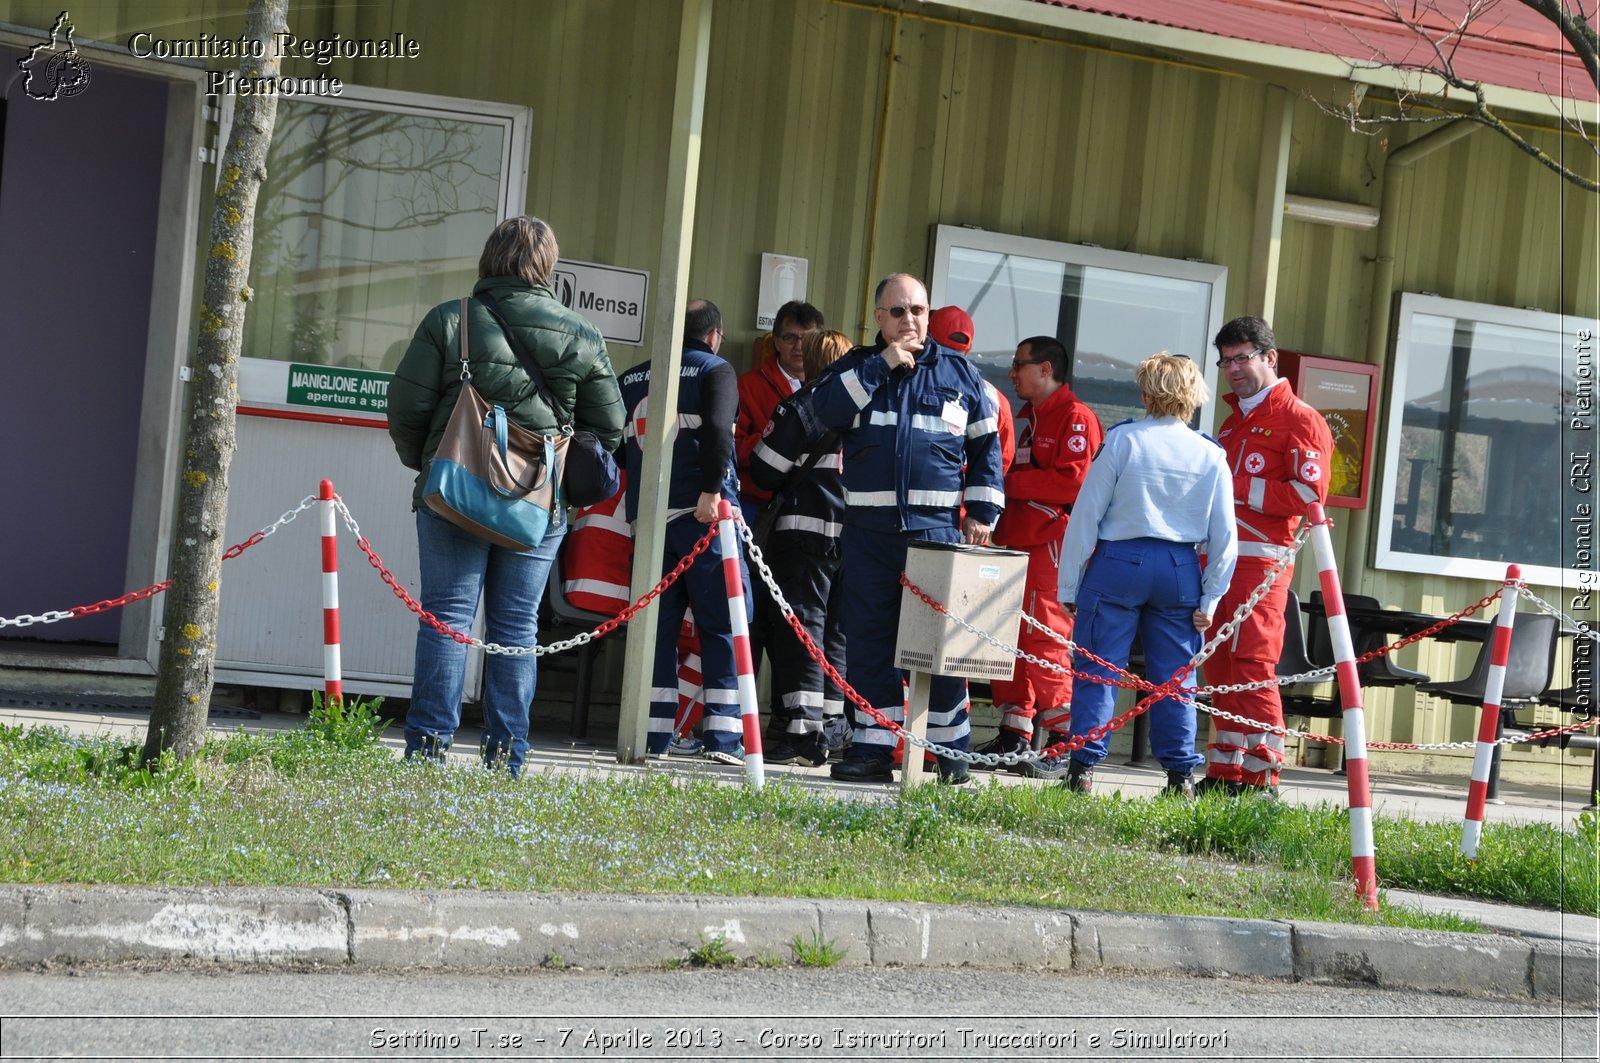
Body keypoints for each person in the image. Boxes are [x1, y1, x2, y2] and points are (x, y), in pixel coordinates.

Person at [388, 215, 624, 777]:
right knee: (517, 629)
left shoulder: (452, 321)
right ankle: (506, 760)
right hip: (538, 506)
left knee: (446, 620)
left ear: (490, 258)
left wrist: (431, 463)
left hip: (453, 495)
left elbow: (406, 409)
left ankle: (427, 755)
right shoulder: (581, 334)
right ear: (548, 265)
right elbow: (608, 430)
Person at [811, 273, 1006, 784]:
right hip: (869, 535)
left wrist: (983, 514)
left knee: (942, 645)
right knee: (870, 641)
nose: (909, 320)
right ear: (879, 318)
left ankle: (951, 753)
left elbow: (989, 451)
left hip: (936, 533)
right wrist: (880, 367)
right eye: (897, 312)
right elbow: (823, 412)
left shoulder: (961, 375)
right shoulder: (856, 369)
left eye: (917, 310)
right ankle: (874, 750)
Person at [1056, 353, 1236, 796]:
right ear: (1194, 397)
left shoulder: (1123, 441)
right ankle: (1179, 775)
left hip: (1119, 561)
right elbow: (1225, 535)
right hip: (1179, 568)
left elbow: (1085, 516)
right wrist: (1211, 599)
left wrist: (1069, 583)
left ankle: (1082, 767)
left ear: (1145, 393)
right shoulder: (1211, 452)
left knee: (1099, 664)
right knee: (1177, 676)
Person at [1198, 316, 1334, 797]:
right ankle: (1224, 774)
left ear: (1269, 358)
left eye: (1242, 358)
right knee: (1218, 666)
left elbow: (1309, 495)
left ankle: (1262, 779)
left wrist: (1232, 486)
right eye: (1225, 360)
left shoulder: (1300, 419)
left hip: (1261, 564)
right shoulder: (1233, 421)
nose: (1233, 369)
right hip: (1217, 560)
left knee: (1253, 665)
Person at [619, 299, 751, 764]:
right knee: (722, 625)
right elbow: (719, 430)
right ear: (714, 333)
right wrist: (711, 491)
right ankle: (723, 739)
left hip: (650, 523)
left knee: (657, 629)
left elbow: (620, 450)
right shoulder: (716, 371)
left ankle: (651, 736)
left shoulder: (632, 377)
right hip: (701, 519)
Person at [979, 336, 1102, 777]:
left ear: (1045, 369)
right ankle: (1015, 733)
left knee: (1046, 641)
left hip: (1050, 547)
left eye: (1019, 365)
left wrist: (1006, 483)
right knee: (1006, 639)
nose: (1012, 373)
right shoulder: (1027, 417)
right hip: (1014, 543)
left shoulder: (1075, 417)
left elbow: (1073, 484)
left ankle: (1065, 742)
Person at [748, 329, 854, 767]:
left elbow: (765, 468)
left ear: (811, 361)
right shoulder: (868, 406)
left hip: (804, 537)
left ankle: (804, 731)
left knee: (803, 631)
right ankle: (833, 725)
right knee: (837, 633)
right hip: (853, 538)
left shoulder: (804, 405)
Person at [734, 301, 825, 734]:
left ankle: (789, 719)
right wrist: (776, 442)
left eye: (807, 340)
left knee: (797, 623)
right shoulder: (749, 384)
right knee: (755, 618)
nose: (798, 348)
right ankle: (744, 719)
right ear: (776, 340)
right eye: (790, 338)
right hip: (757, 512)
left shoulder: (834, 389)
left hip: (810, 522)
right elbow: (734, 445)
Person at [928, 306, 1015, 475]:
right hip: (968, 499)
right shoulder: (996, 398)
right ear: (968, 348)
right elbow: (1000, 463)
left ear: (927, 338)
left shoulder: (911, 384)